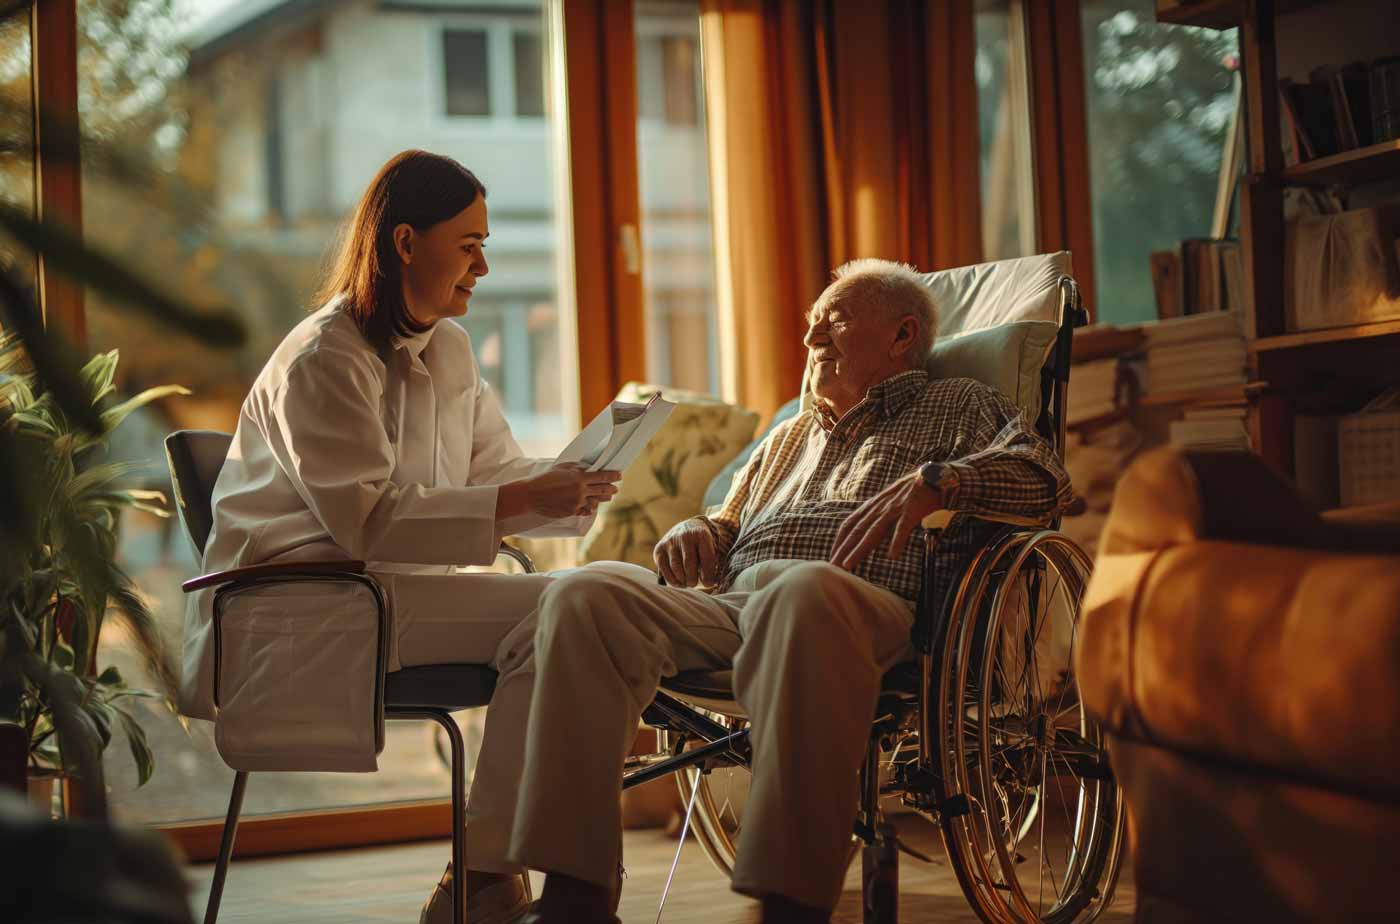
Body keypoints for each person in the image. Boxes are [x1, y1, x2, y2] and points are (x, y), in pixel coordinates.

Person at [462, 258, 1073, 924]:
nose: (811, 342)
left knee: (804, 592)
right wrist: (702, 531)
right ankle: (577, 896)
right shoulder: (787, 438)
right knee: (584, 594)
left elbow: (1045, 479)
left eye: (832, 323)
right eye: (811, 327)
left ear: (902, 338)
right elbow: (731, 521)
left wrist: (942, 482)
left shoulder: (958, 405)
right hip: (737, 606)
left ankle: (787, 902)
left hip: (861, 604)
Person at [180, 150, 620, 924]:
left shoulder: (448, 348)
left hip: (385, 595)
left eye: (486, 246)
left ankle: (487, 876)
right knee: (572, 611)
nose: (482, 267)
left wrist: (584, 480)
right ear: (407, 242)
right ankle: (496, 879)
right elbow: (369, 522)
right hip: (303, 608)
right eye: (470, 245)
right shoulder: (323, 358)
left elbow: (499, 474)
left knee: (572, 618)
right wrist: (525, 496)